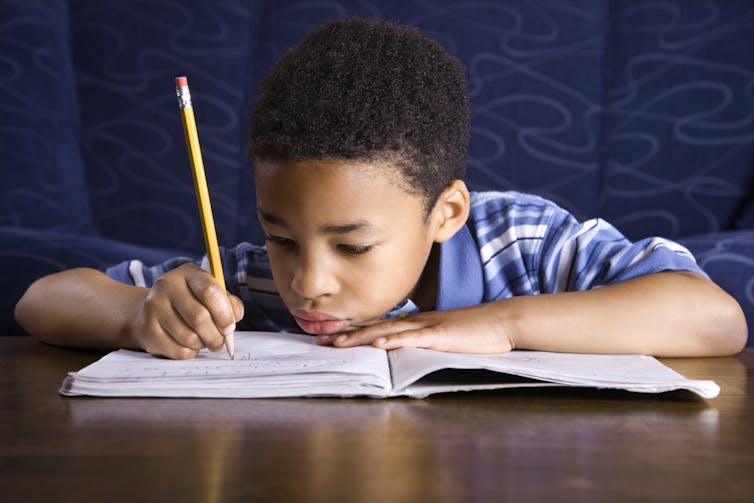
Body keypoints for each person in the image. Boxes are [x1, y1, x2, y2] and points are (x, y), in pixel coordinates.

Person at [15, 18, 747, 359]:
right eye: (280, 234)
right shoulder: (246, 282)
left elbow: (716, 321)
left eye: (353, 244)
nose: (307, 281)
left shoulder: (522, 244)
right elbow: (40, 299)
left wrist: (506, 323)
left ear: (446, 211)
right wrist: (141, 310)